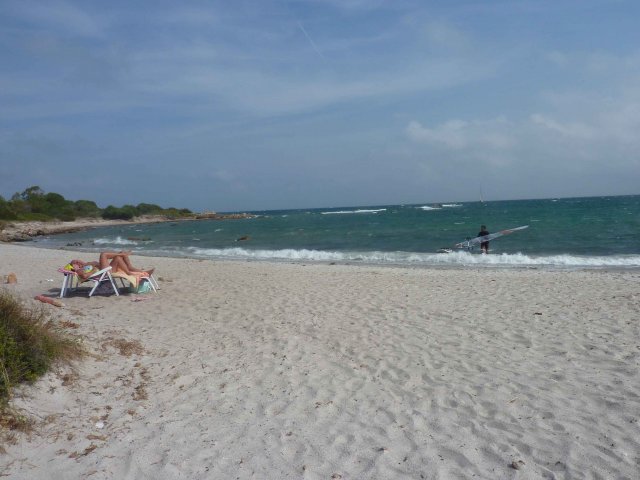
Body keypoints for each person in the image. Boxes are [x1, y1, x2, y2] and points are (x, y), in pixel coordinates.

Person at [69, 251, 154, 281]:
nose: (78, 262)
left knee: (117, 257)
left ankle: (136, 271)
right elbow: (84, 276)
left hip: (107, 270)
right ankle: (124, 255)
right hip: (102, 273)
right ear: (75, 266)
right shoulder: (80, 270)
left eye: (77, 260)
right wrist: (76, 270)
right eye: (75, 263)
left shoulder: (87, 263)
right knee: (103, 254)